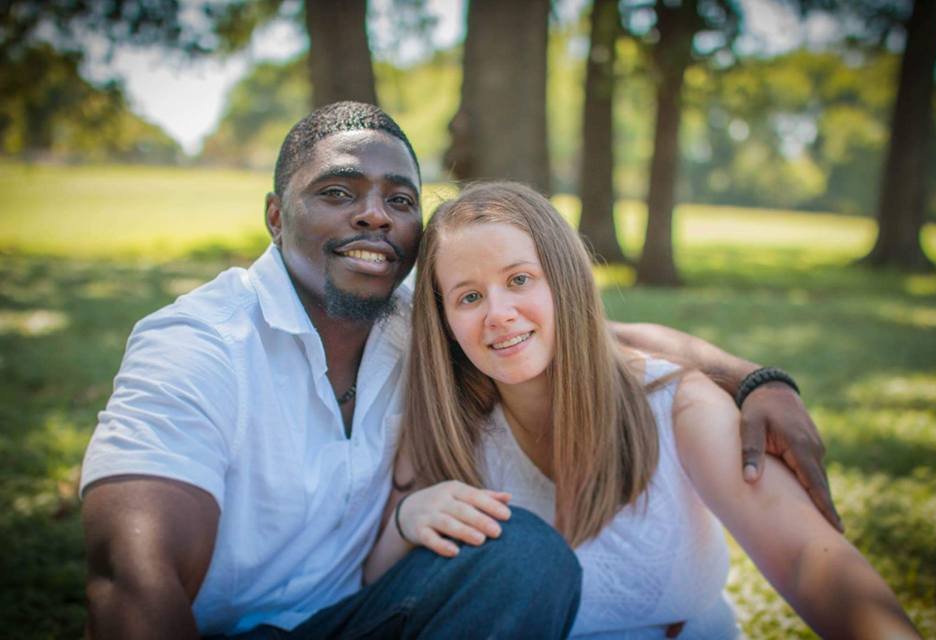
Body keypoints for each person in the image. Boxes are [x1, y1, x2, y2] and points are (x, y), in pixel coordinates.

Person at [81, 102, 838, 638]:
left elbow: (588, 332)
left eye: (399, 199)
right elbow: (132, 577)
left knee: (521, 559)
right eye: (338, 192)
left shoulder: (422, 317)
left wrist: (756, 379)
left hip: (376, 620)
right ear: (277, 216)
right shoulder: (197, 347)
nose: (374, 214)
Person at [366, 181, 919, 639]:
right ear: (444, 321)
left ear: (565, 281)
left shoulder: (678, 406)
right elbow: (381, 596)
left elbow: (809, 560)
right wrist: (407, 518)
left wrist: (759, 379)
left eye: (519, 280)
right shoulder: (451, 424)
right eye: (469, 297)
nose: (499, 313)